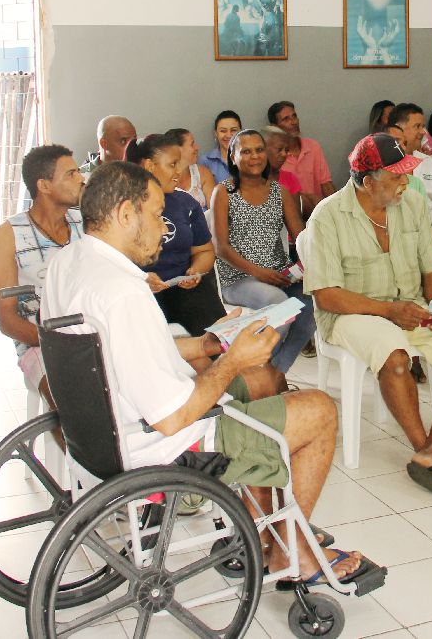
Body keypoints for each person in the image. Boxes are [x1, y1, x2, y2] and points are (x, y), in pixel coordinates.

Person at [41, 160, 370, 587]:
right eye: (158, 214)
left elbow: (114, 353)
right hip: (158, 446)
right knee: (320, 410)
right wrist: (232, 361)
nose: (165, 228)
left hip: (100, 432)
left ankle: (256, 530)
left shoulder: (69, 264)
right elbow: (173, 417)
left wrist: (205, 347)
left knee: (260, 384)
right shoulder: (123, 292)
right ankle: (296, 551)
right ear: (125, 214)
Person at [304, 133, 432, 500]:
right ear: (368, 182)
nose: (406, 183)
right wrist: (389, 311)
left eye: (406, 174)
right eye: (397, 177)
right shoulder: (328, 215)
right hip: (351, 312)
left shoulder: (414, 204)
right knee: (395, 355)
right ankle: (427, 450)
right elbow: (327, 295)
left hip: (409, 305)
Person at [212, 130, 315, 384]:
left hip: (278, 276)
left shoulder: (279, 191)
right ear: (232, 157)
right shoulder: (224, 193)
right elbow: (221, 247)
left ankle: (273, 374)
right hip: (239, 278)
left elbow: (300, 237)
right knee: (281, 305)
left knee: (312, 303)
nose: (255, 156)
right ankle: (259, 376)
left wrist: (301, 268)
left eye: (259, 150)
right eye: (245, 151)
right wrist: (259, 273)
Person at [0, 144, 84, 407]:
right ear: (44, 186)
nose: (82, 179)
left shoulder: (86, 222)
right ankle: (81, 448)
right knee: (69, 404)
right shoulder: (7, 235)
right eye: (71, 174)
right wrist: (57, 342)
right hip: (39, 343)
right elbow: (6, 317)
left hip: (91, 333)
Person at [126, 134, 226, 339]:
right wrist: (140, 279)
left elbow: (205, 250)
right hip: (140, 292)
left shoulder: (185, 202)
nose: (179, 172)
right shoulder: (124, 206)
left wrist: (195, 270)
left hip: (184, 288)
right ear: (149, 166)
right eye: (172, 164)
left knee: (218, 337)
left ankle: (226, 363)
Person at [390, 103, 432, 233]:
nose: (423, 132)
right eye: (417, 126)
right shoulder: (385, 163)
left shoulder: (427, 161)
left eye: (423, 127)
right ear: (398, 128)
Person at [267, 100, 335, 202]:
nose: (294, 122)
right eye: (286, 119)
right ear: (274, 127)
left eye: (294, 116)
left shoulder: (313, 146)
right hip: (292, 211)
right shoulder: (275, 156)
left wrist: (337, 209)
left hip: (319, 211)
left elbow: (326, 184)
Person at [165, 128, 216, 210]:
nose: (197, 148)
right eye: (192, 144)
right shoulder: (162, 180)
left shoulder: (203, 173)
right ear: (177, 150)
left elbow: (215, 211)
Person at [199, 110, 241, 184]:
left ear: (241, 132)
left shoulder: (250, 158)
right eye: (223, 131)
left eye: (233, 130)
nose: (228, 135)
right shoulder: (205, 161)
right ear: (216, 133)